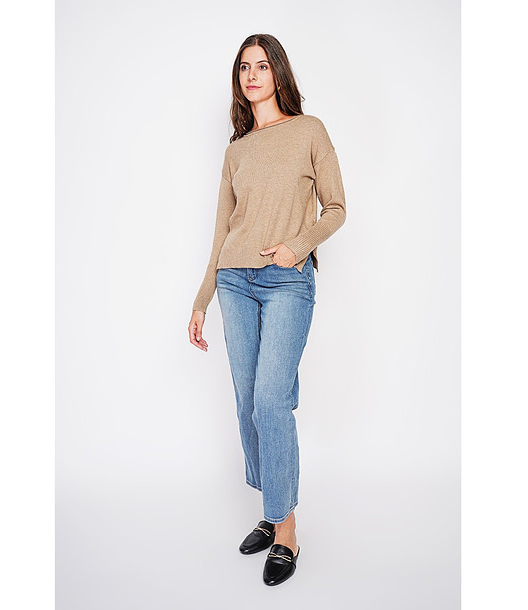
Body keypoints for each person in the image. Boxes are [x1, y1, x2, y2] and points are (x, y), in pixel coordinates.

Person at [188, 33, 346, 586]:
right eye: (243, 67)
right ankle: (272, 508)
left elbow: (336, 208)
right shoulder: (236, 151)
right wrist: (202, 299)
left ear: (278, 72)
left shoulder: (309, 130)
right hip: (234, 281)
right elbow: (221, 233)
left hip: (287, 281)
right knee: (248, 404)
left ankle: (287, 530)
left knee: (271, 400)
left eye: (261, 65)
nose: (252, 75)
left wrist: (296, 248)